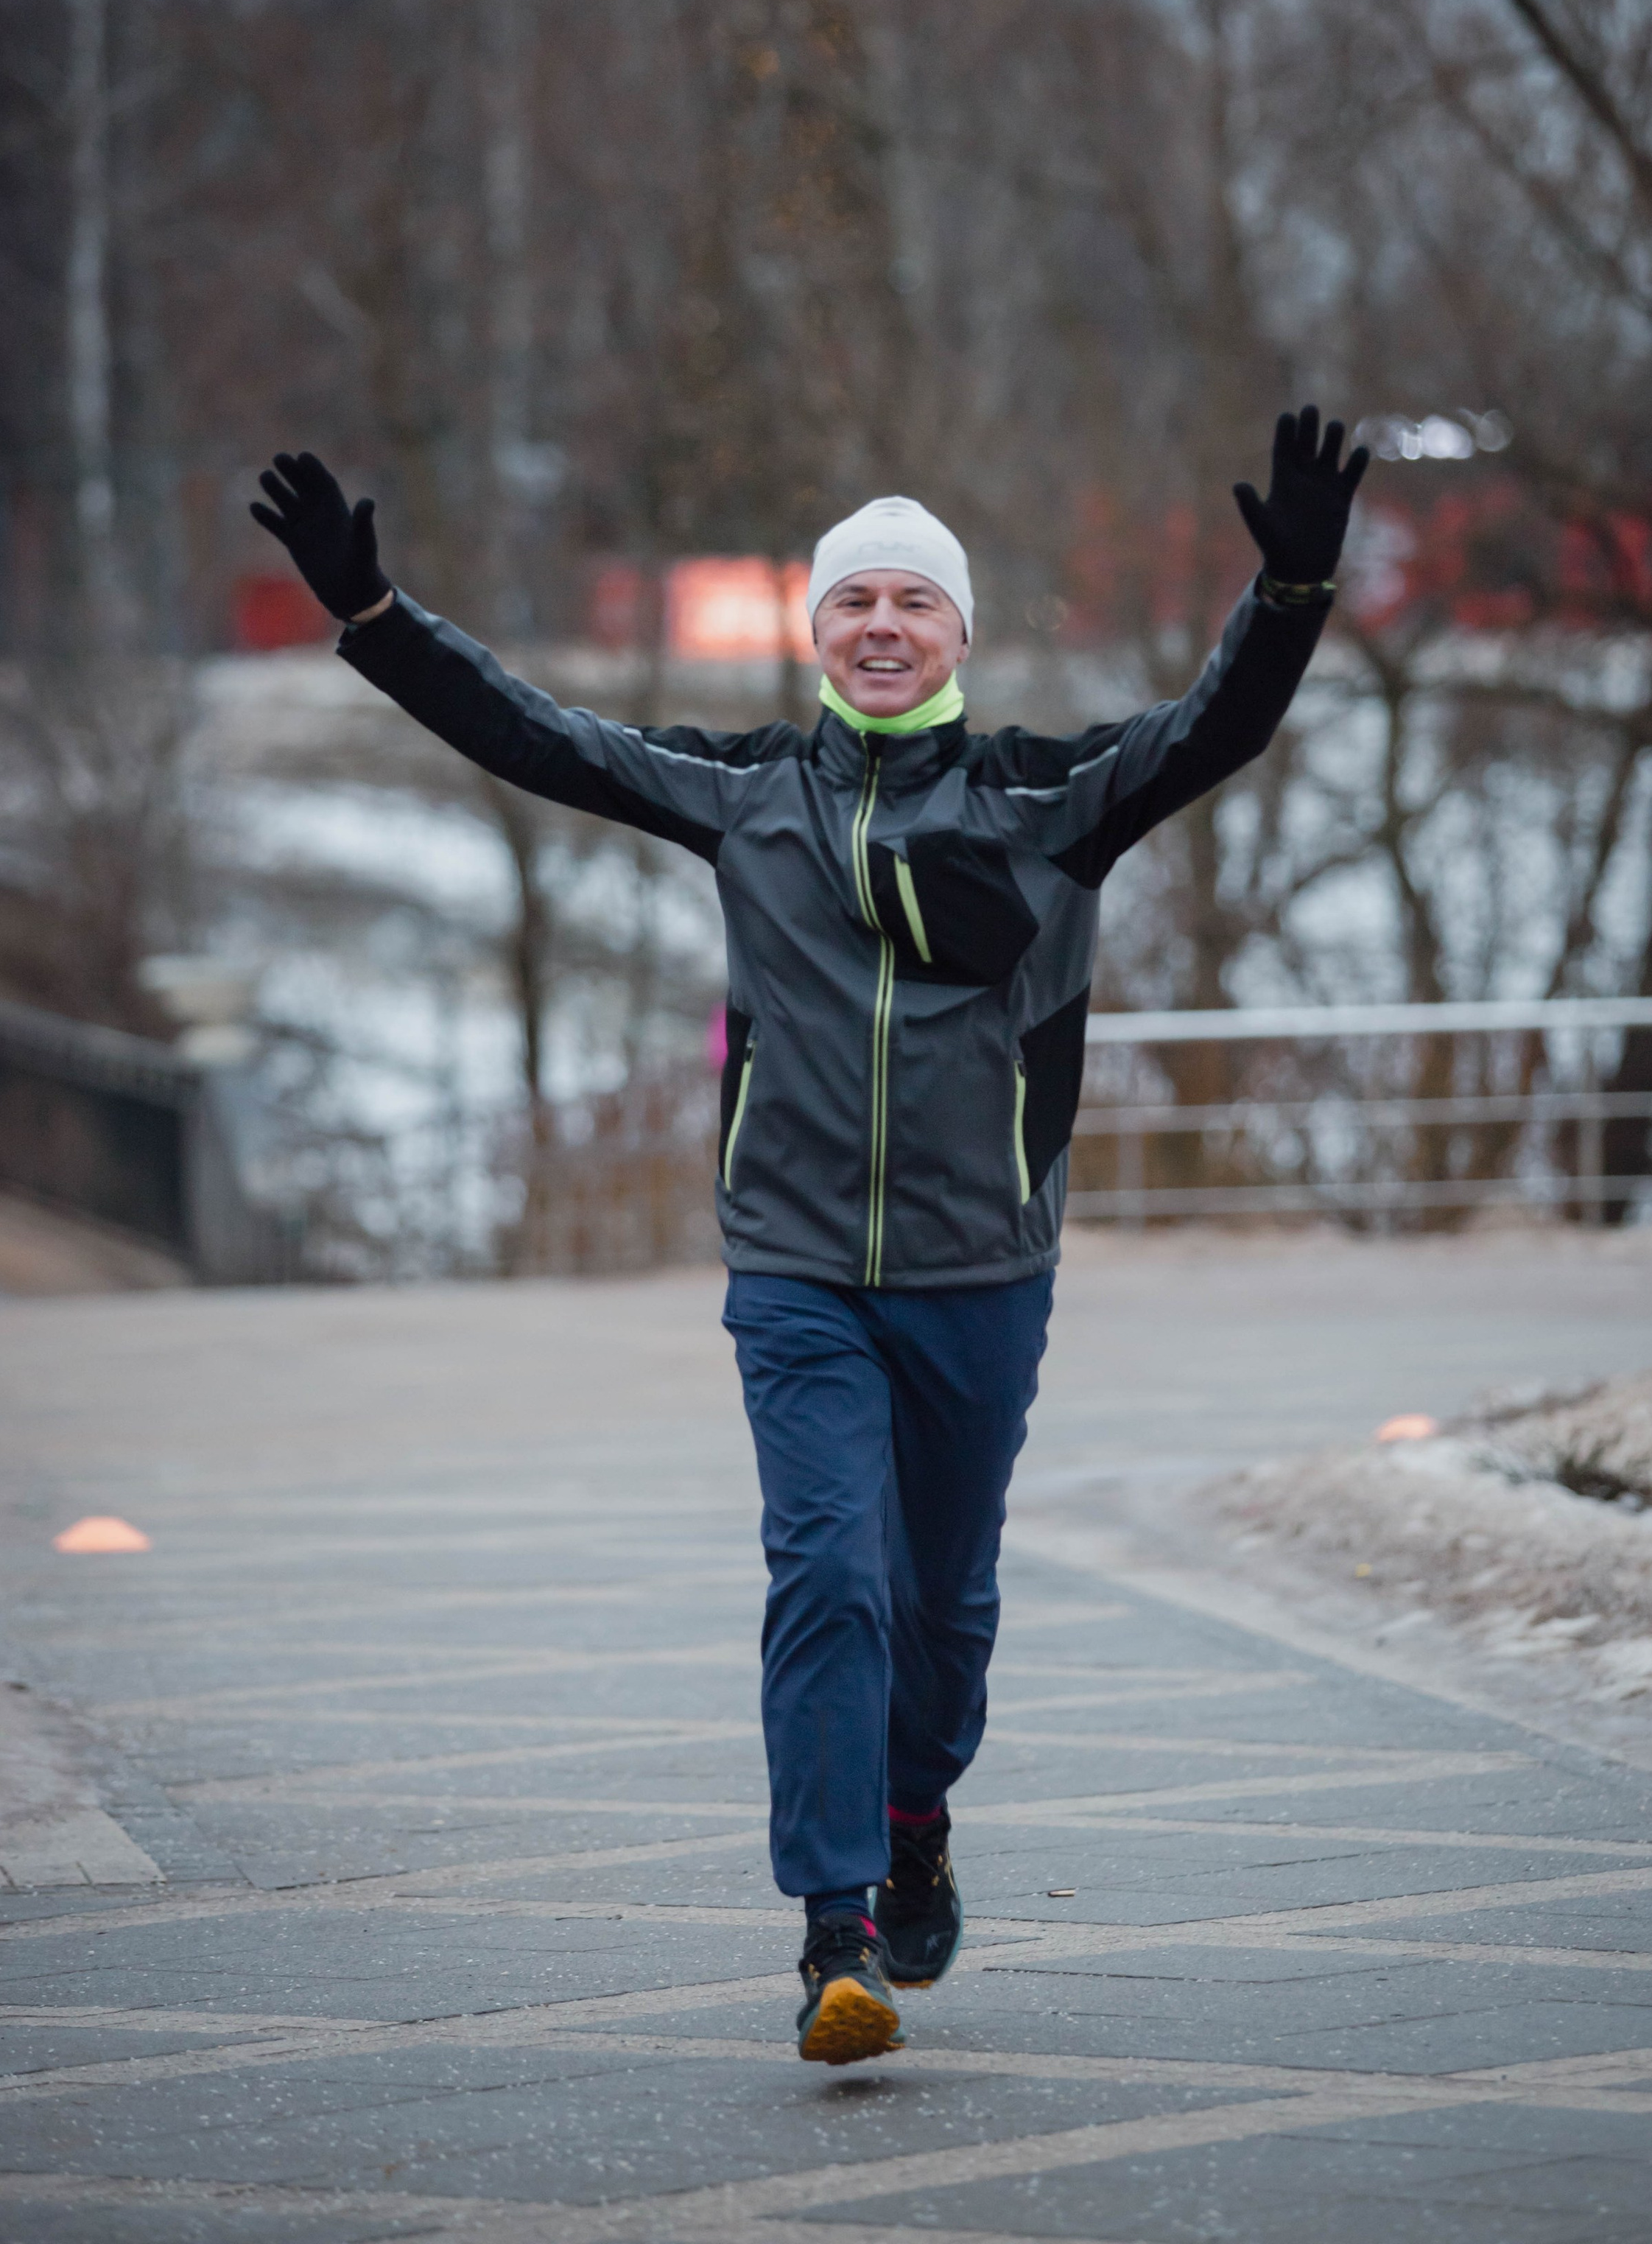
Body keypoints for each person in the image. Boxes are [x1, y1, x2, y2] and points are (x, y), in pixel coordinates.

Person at [250, 409, 1365, 2066]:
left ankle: (915, 1816)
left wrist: (1286, 593)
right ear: (816, 630)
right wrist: (374, 621)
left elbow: (1216, 733)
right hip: (794, 1277)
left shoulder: (1044, 799)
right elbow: (536, 739)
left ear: (959, 637)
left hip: (981, 1274)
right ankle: (832, 1928)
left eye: (915, 602)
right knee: (828, 1575)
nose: (883, 625)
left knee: (946, 1607)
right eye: (855, 602)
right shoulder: (747, 793)